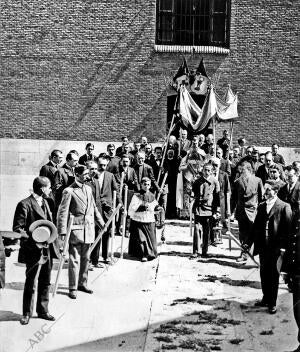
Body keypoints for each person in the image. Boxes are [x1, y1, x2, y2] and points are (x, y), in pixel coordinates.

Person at [13, 177, 60, 325]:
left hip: (47, 249)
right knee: (31, 282)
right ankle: (27, 313)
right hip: (33, 250)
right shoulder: (24, 204)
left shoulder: (46, 202)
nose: (50, 189)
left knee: (46, 281)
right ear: (41, 188)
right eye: (49, 187)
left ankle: (43, 310)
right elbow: (18, 229)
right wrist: (34, 240)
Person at [57, 165, 105, 299]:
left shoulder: (89, 188)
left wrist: (101, 223)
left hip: (89, 230)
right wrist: (62, 231)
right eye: (84, 174)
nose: (87, 176)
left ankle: (82, 284)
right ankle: (72, 287)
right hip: (75, 231)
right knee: (74, 260)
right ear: (77, 175)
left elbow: (94, 208)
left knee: (86, 259)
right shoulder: (69, 191)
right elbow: (62, 212)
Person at [246, 180, 292, 314]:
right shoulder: (261, 206)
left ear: (275, 191)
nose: (265, 193)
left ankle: (272, 303)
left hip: (276, 249)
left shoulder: (284, 207)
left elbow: (288, 230)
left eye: (268, 190)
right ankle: (266, 298)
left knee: (273, 275)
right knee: (264, 274)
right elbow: (255, 228)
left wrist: (284, 248)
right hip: (263, 247)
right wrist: (248, 243)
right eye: (265, 190)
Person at [87, 157, 121, 264]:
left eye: (104, 165)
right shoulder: (92, 177)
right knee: (96, 233)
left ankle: (106, 256)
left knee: (106, 232)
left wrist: (120, 204)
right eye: (100, 165)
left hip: (107, 208)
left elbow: (116, 190)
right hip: (95, 207)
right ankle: (94, 258)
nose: (102, 167)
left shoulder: (110, 176)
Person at [231, 161, 264, 262]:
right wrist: (231, 212)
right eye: (240, 170)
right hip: (241, 211)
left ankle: (250, 251)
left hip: (253, 211)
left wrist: (262, 211)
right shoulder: (237, 182)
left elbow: (262, 197)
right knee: (242, 233)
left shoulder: (258, 180)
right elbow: (234, 199)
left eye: (243, 170)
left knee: (252, 233)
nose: (241, 172)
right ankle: (244, 253)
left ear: (249, 170)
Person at [128, 177, 161, 262]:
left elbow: (154, 206)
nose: (146, 186)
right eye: (145, 184)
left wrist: (157, 208)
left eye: (148, 185)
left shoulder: (152, 196)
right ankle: (144, 254)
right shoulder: (136, 196)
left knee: (151, 240)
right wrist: (141, 206)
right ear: (141, 185)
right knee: (142, 239)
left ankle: (151, 253)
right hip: (139, 220)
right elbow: (131, 208)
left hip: (149, 219)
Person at [282, 198, 300, 352]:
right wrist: (287, 269)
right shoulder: (297, 214)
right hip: (296, 271)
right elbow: (291, 242)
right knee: (298, 311)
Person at [192, 163, 220, 257]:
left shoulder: (215, 182)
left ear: (212, 171)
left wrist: (216, 211)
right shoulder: (197, 181)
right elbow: (194, 194)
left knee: (206, 230)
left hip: (209, 209)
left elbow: (217, 198)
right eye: (205, 170)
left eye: (209, 170)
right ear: (202, 170)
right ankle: (196, 251)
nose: (207, 172)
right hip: (198, 208)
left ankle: (204, 252)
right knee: (196, 230)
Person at [177, 141, 206, 219]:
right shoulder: (186, 157)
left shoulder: (201, 155)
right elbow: (180, 168)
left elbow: (204, 164)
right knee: (187, 195)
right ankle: (186, 214)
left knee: (196, 195)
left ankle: (195, 212)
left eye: (196, 144)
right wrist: (187, 165)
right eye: (193, 145)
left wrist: (199, 171)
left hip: (197, 178)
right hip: (188, 178)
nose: (194, 146)